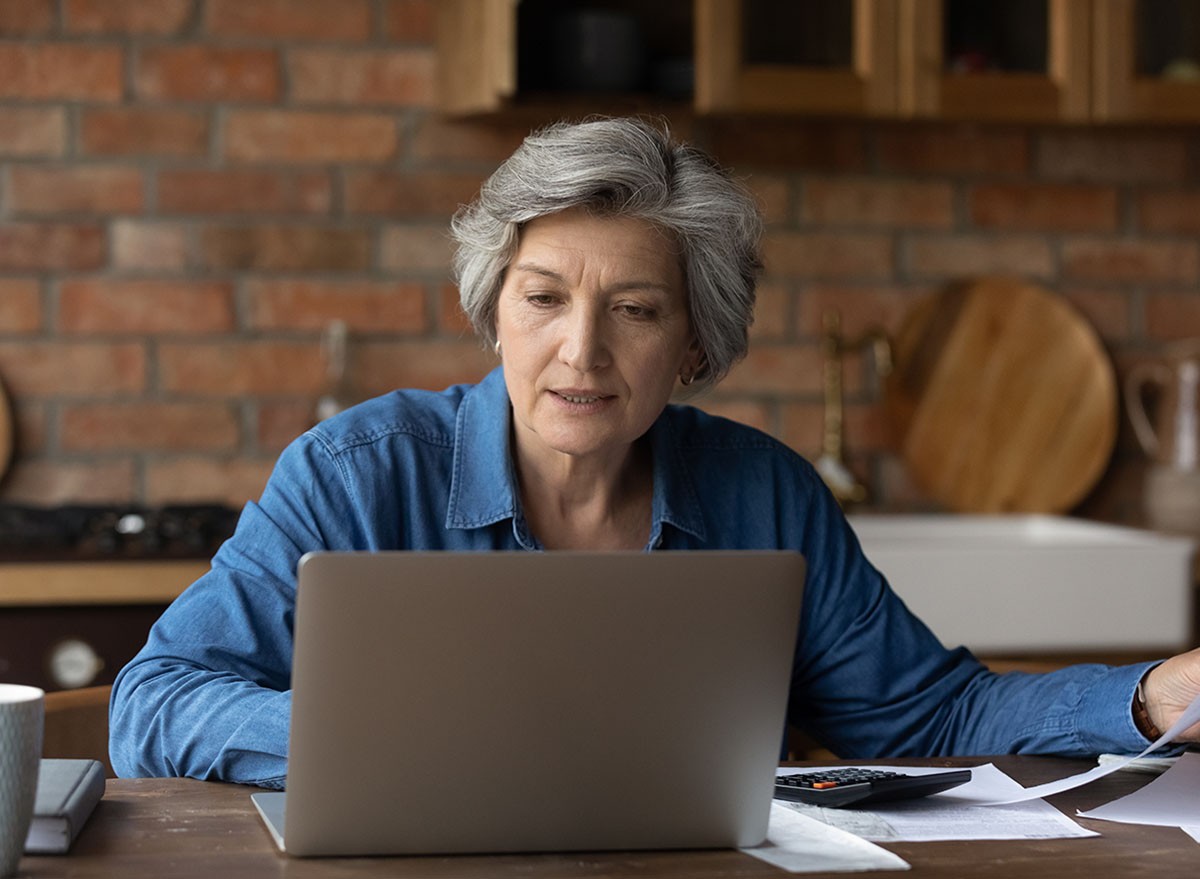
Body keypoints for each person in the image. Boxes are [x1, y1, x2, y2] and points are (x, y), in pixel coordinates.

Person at [109, 117, 1200, 789]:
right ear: (496, 313)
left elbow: (931, 718)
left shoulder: (764, 493)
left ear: (692, 348)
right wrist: (387, 737)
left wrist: (1154, 697)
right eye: (543, 300)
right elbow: (153, 705)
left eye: (633, 310)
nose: (579, 351)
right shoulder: (355, 473)